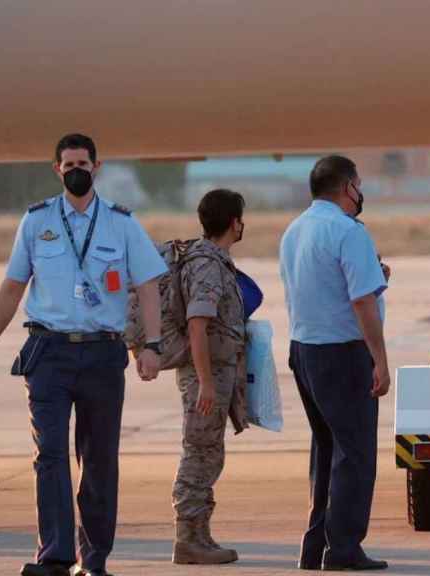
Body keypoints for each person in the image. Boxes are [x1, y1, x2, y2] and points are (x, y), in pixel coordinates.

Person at [0, 133, 167, 576]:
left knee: (99, 460)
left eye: (83, 162)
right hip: (49, 352)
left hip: (103, 355)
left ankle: (94, 559)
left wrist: (151, 345)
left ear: (97, 168)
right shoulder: (36, 221)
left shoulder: (121, 224)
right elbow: (12, 287)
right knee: (51, 456)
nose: (76, 169)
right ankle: (56, 556)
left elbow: (149, 285)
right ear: (56, 169)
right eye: (68, 163)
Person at [280, 155, 390, 571]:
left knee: (327, 449)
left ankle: (316, 548)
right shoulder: (348, 231)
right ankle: (343, 549)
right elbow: (361, 300)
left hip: (305, 350)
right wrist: (379, 359)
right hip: (342, 354)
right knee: (356, 454)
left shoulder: (295, 230)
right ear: (348, 187)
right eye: (358, 185)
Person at [171, 189, 249, 565]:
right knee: (199, 454)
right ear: (234, 222)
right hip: (207, 377)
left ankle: (200, 535)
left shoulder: (211, 261)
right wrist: (204, 382)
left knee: (209, 454)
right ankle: (188, 538)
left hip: (215, 374)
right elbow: (197, 326)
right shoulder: (207, 265)